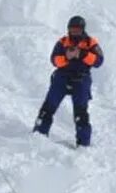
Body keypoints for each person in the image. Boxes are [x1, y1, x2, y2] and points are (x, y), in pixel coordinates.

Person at [32, 15, 104, 147]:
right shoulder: (63, 42)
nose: (74, 31)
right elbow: (54, 60)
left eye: (77, 29)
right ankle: (39, 135)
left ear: (82, 29)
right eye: (72, 29)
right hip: (62, 77)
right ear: (68, 29)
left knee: (81, 113)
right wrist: (67, 57)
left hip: (81, 79)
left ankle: (83, 144)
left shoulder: (90, 43)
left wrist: (82, 54)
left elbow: (99, 61)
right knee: (48, 107)